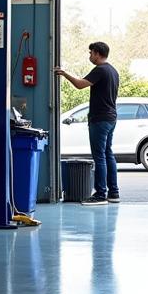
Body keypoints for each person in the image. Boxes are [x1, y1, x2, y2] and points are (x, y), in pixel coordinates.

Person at [55, 42, 121, 205]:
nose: (90, 56)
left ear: (98, 54)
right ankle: (114, 193)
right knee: (107, 154)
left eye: (91, 53)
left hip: (100, 119)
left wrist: (64, 73)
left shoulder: (100, 70)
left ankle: (100, 195)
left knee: (99, 156)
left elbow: (79, 85)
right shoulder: (113, 71)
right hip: (111, 118)